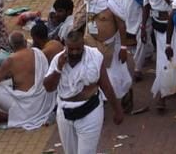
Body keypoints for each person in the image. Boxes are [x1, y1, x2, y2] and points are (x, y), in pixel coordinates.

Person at [42, 26, 124, 154]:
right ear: (65, 47)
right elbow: (48, 87)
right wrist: (58, 68)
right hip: (65, 114)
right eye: (71, 49)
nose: (74, 52)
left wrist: (117, 110)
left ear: (83, 46)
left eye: (78, 49)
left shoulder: (95, 56)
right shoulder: (58, 59)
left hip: (90, 112)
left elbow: (106, 86)